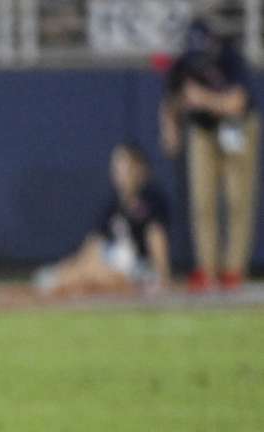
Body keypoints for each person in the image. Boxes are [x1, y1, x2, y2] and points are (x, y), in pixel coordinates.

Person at [159, 19, 259, 292]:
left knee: (237, 199)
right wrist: (170, 130)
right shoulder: (184, 64)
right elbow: (170, 100)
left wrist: (203, 99)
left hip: (237, 128)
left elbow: (237, 103)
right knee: (203, 200)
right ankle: (207, 268)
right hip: (203, 129)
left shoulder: (230, 58)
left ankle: (233, 269)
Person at [33, 143, 171, 297]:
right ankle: (67, 277)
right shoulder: (114, 205)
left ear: (140, 169)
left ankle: (73, 281)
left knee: (95, 274)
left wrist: (163, 275)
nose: (118, 173)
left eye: (124, 167)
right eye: (116, 167)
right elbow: (94, 243)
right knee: (87, 265)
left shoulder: (151, 200)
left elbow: (156, 237)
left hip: (139, 269)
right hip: (116, 263)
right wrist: (70, 267)